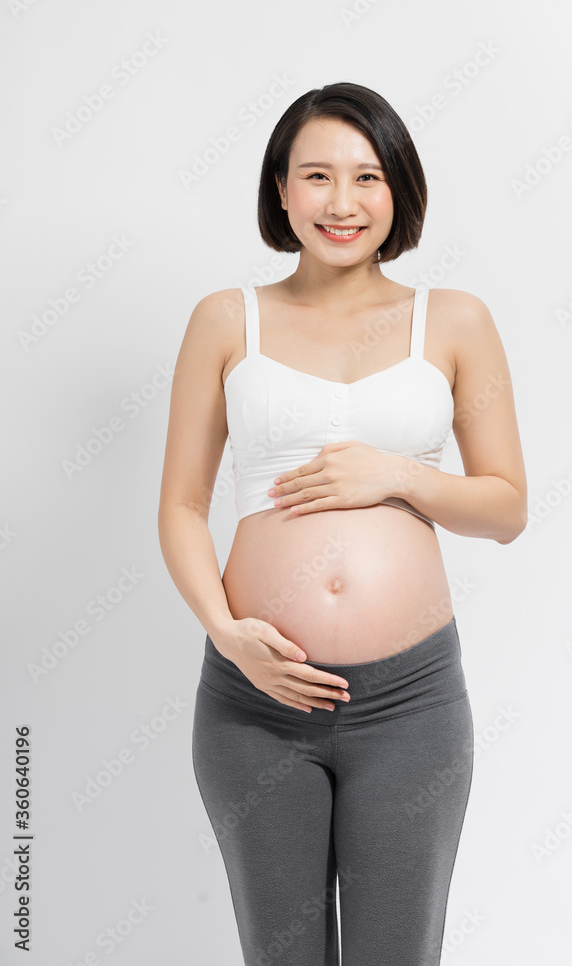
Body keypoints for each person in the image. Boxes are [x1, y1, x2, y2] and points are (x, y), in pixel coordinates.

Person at [158, 81, 527, 966]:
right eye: (315, 175)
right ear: (279, 191)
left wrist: (396, 474)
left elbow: (506, 505)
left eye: (365, 177)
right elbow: (179, 505)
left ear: (397, 189)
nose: (340, 201)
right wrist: (228, 633)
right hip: (256, 699)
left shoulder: (455, 320)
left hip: (410, 705)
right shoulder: (224, 320)